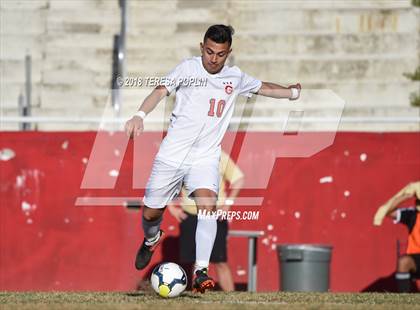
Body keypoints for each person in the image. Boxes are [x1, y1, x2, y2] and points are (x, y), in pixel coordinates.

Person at [124, 24, 301, 293]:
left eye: (220, 54)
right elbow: (160, 91)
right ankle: (151, 240)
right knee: (151, 213)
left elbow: (264, 87)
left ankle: (201, 271)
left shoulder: (235, 77)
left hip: (205, 157)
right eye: (209, 51)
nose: (213, 58)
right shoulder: (187, 69)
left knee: (208, 204)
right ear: (201, 48)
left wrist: (291, 93)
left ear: (228, 53)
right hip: (172, 154)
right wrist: (139, 115)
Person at [168, 150, 244, 292]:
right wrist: (171, 207)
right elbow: (166, 182)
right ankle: (199, 296)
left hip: (214, 215)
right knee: (196, 262)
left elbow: (239, 179)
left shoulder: (220, 156)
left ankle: (232, 298)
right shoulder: (183, 156)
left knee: (220, 260)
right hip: (190, 216)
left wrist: (228, 203)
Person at [373, 181, 420, 292]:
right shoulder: (412, 214)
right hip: (417, 257)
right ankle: (403, 299)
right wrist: (405, 196)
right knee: (403, 262)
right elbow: (388, 212)